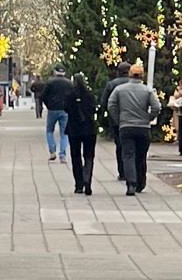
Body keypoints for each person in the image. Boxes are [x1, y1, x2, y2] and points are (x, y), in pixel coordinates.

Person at [105, 60, 161, 197]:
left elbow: (110, 105)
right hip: (143, 127)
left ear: (130, 75)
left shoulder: (119, 90)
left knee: (128, 154)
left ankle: (131, 183)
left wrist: (118, 119)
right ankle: (141, 183)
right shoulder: (147, 91)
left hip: (126, 126)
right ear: (142, 76)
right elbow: (157, 107)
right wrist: (148, 118)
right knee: (141, 156)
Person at [66, 73, 98, 195]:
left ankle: (79, 184)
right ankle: (87, 179)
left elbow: (66, 108)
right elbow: (94, 109)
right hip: (89, 129)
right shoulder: (90, 96)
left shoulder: (69, 96)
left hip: (74, 129)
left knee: (76, 156)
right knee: (89, 156)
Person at [100, 62, 130, 178]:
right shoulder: (137, 84)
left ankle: (122, 172)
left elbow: (104, 102)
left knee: (119, 145)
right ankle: (132, 172)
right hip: (133, 119)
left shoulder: (111, 84)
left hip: (116, 119)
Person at [40, 66, 73, 162]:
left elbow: (43, 95)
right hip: (65, 110)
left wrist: (48, 105)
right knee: (64, 133)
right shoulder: (68, 83)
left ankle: (52, 151)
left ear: (55, 71)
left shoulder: (50, 82)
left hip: (53, 109)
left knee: (49, 130)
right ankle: (62, 155)